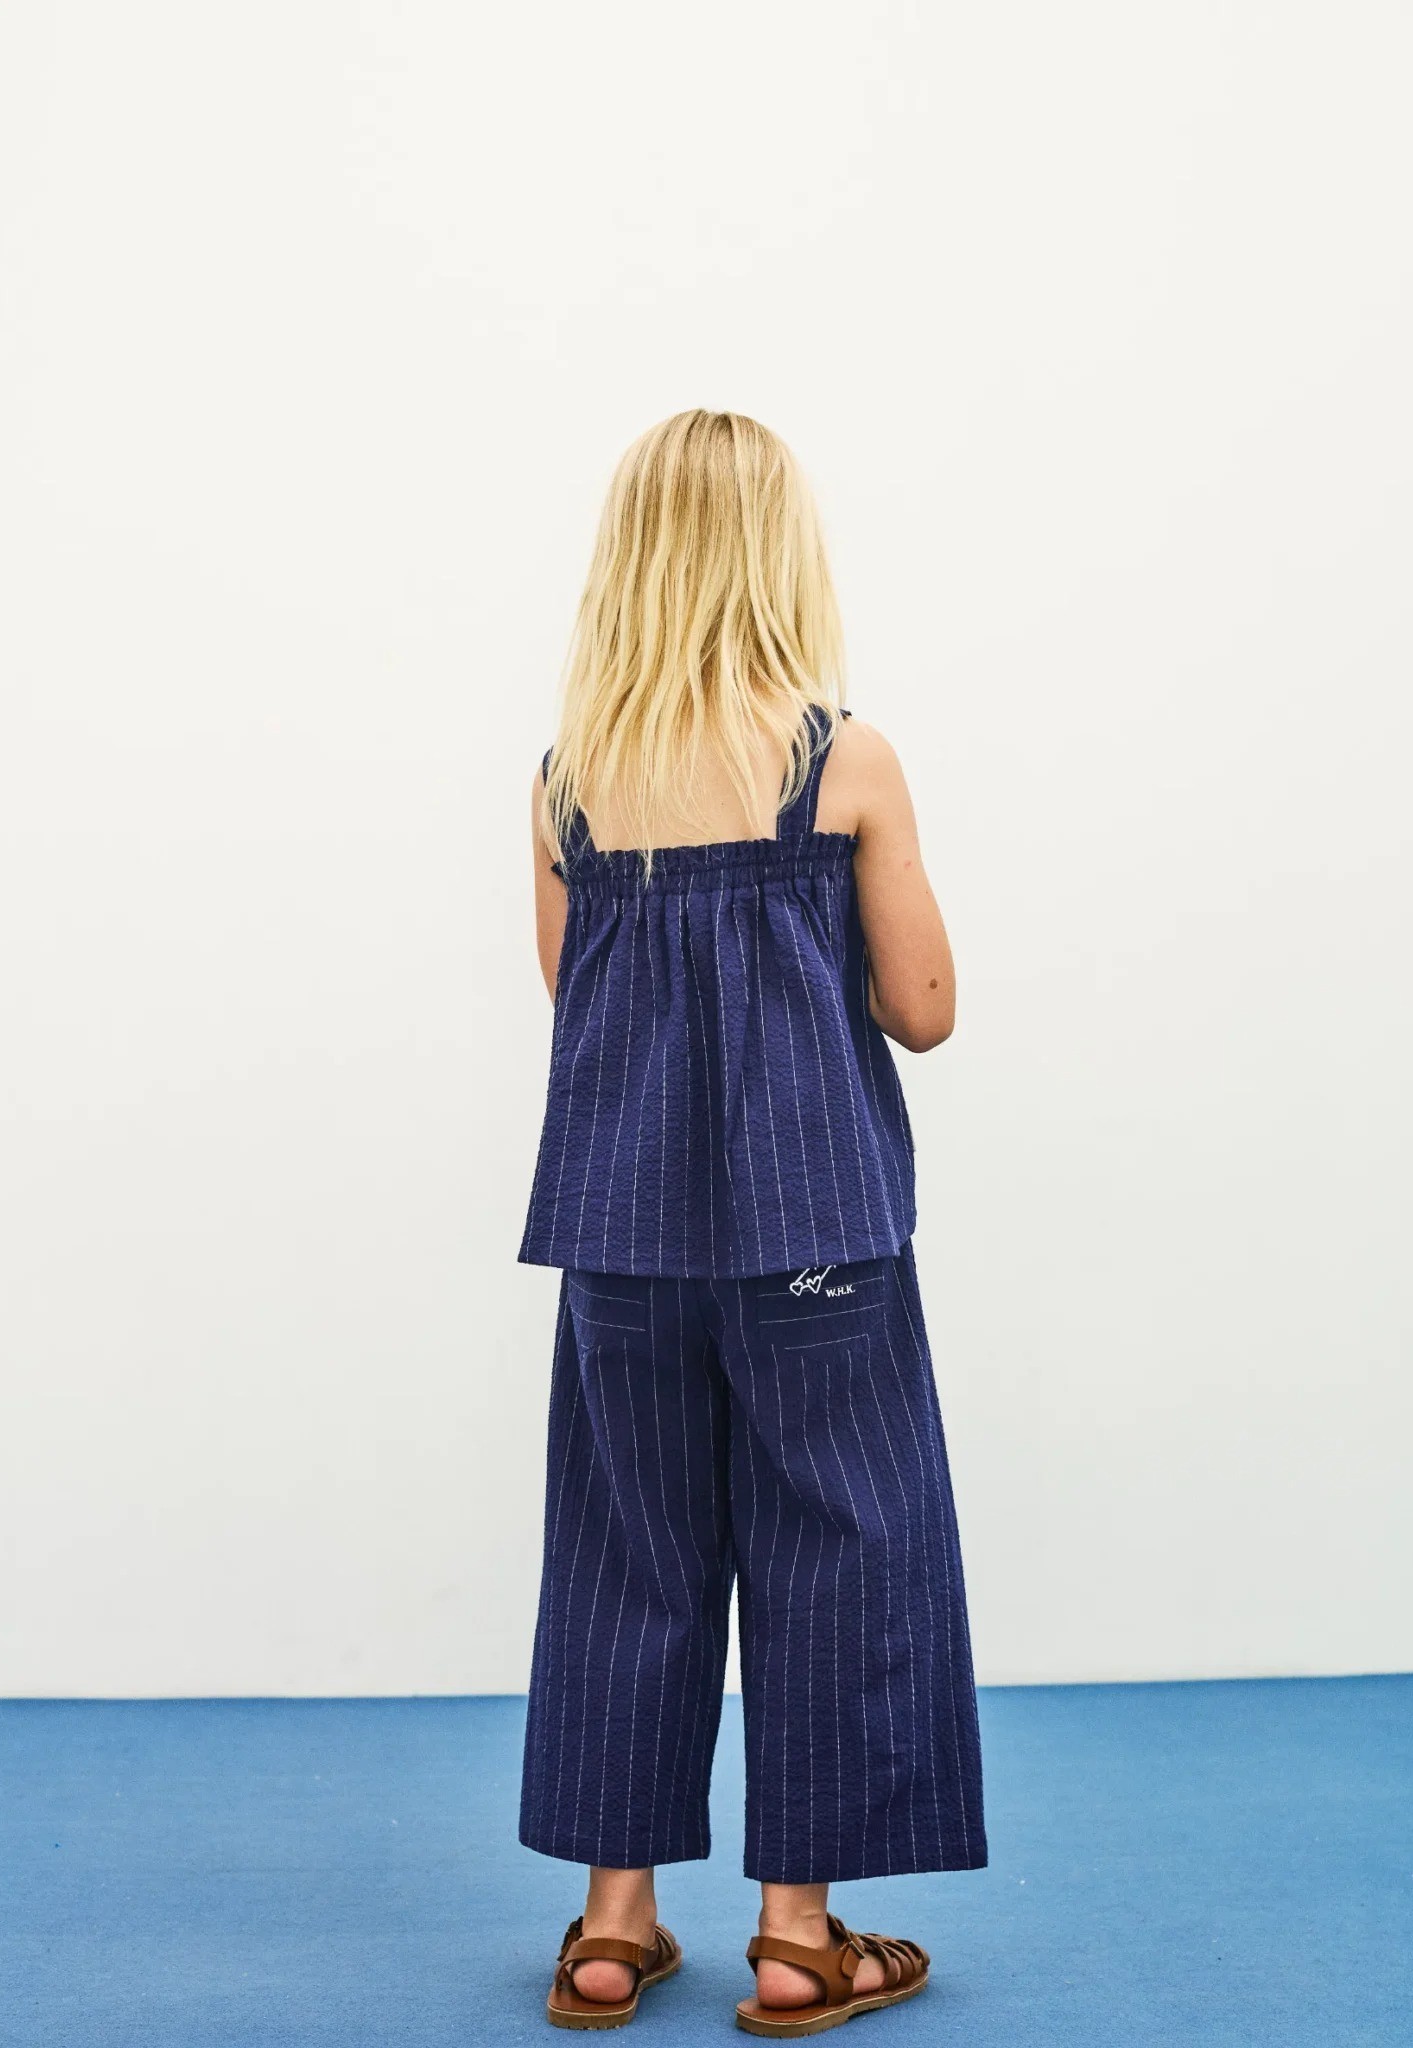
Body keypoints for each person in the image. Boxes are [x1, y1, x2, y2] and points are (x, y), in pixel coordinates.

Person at [517, 409, 986, 2035]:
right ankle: (796, 1939)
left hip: (625, 1239)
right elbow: (924, 1008)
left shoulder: (569, 783)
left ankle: (610, 1929)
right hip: (816, 1237)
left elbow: (577, 1011)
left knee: (626, 1555)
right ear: (780, 556)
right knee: (838, 1548)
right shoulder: (841, 763)